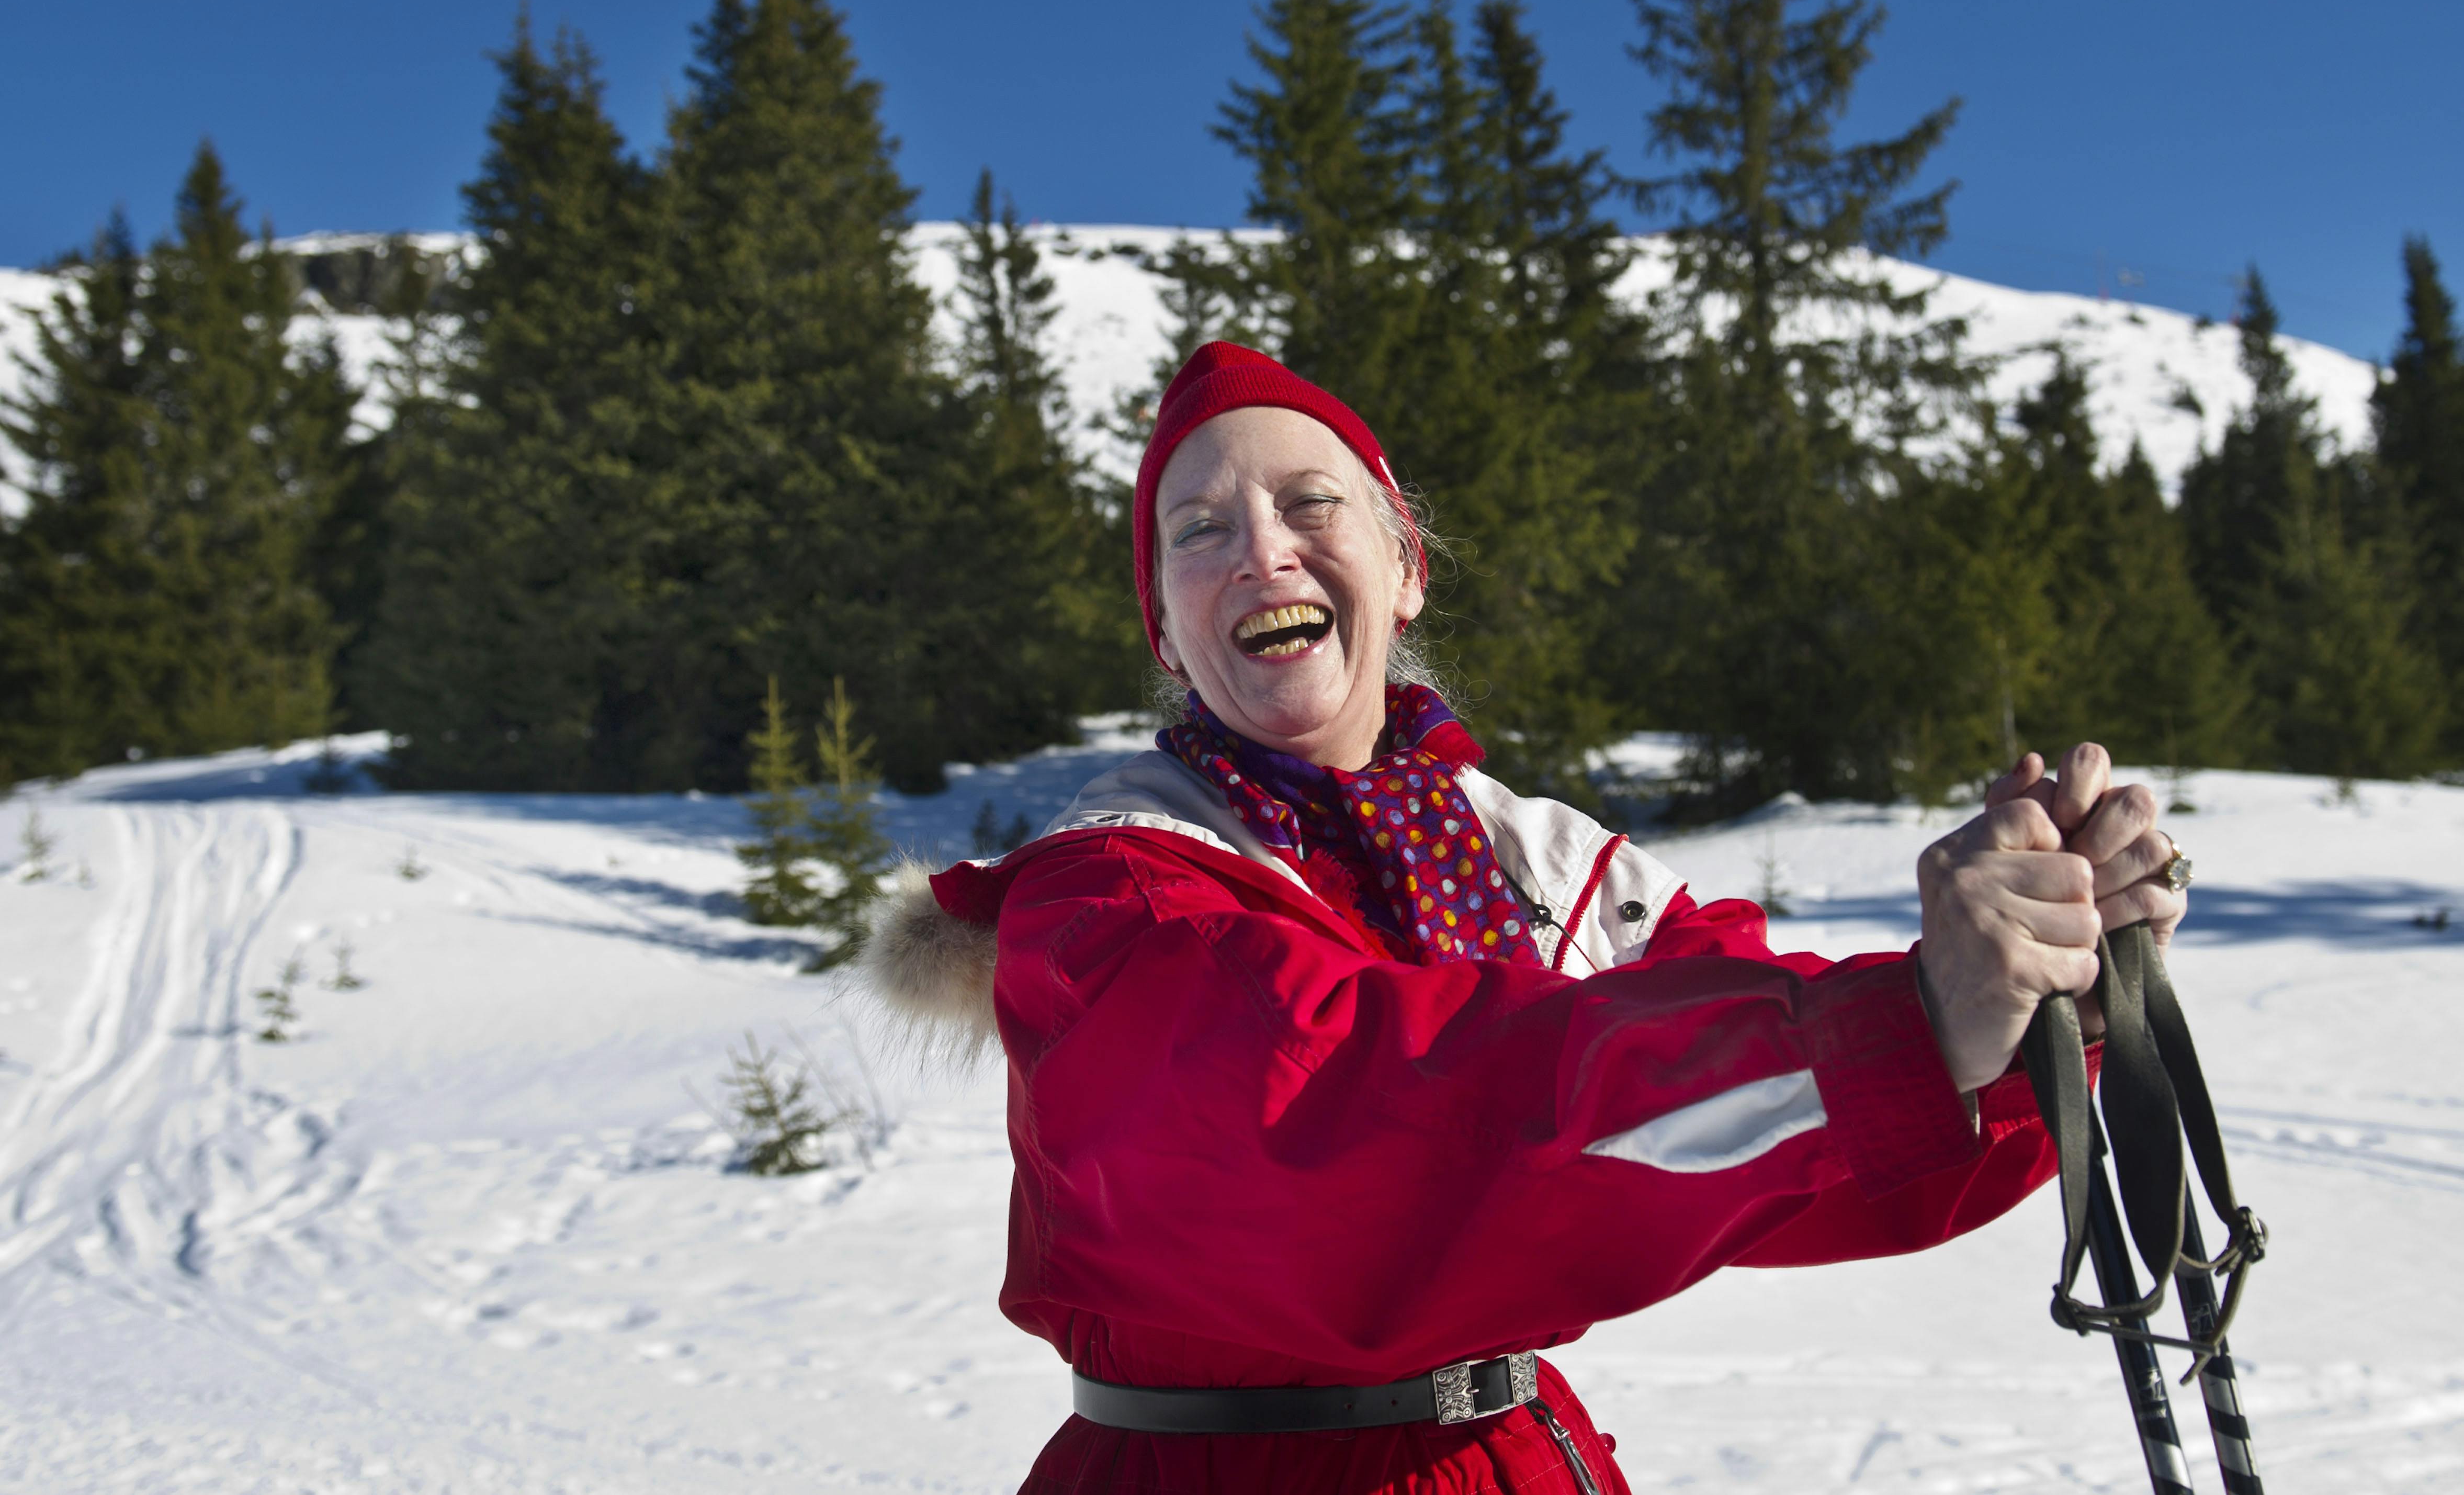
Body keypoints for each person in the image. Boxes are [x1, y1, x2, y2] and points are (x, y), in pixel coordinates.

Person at [867, 341, 2188, 1494]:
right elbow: (1362, 1117)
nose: (1260, 546)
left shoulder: (1537, 867)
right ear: (1165, 628)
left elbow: (1803, 1147)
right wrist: (1902, 1026)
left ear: (1407, 567)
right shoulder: (1109, 895)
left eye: (1309, 500)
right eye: (1198, 529)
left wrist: (2037, 992)